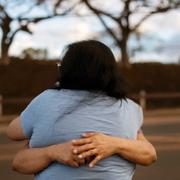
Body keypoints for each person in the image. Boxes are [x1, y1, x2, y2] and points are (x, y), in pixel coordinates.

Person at [7, 40, 157, 180]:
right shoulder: (130, 108)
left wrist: (47, 147)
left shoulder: (46, 100)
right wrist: (116, 144)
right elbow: (149, 154)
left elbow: (12, 132)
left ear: (67, 70)